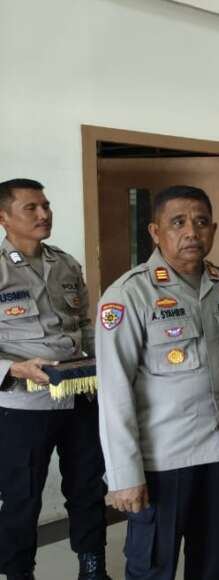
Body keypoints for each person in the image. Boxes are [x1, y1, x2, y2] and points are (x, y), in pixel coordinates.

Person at [97, 185, 219, 580]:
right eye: (178, 222)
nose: (192, 231)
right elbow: (114, 393)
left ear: (214, 229)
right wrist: (124, 475)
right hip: (162, 462)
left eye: (202, 222)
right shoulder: (129, 294)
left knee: (214, 562)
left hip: (218, 455)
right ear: (155, 232)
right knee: (154, 567)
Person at [0, 179, 109, 580]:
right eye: (31, 208)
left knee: (88, 487)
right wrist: (13, 369)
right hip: (23, 404)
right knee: (21, 496)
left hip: (79, 396)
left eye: (46, 205)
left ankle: (92, 567)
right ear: (3, 217)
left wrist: (105, 366)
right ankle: (18, 573)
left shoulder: (65, 263)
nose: (44, 214)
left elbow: (84, 324)